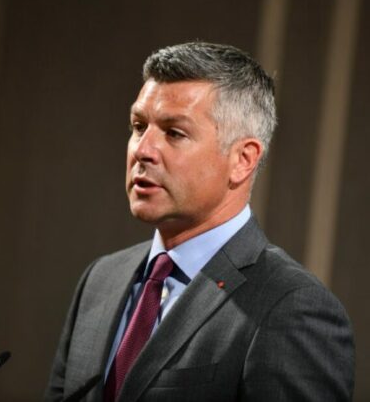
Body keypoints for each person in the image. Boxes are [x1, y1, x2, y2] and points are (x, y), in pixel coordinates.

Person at [44, 42, 354, 402]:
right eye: (138, 126)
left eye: (174, 133)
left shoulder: (292, 308)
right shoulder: (100, 280)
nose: (142, 150)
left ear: (242, 160)